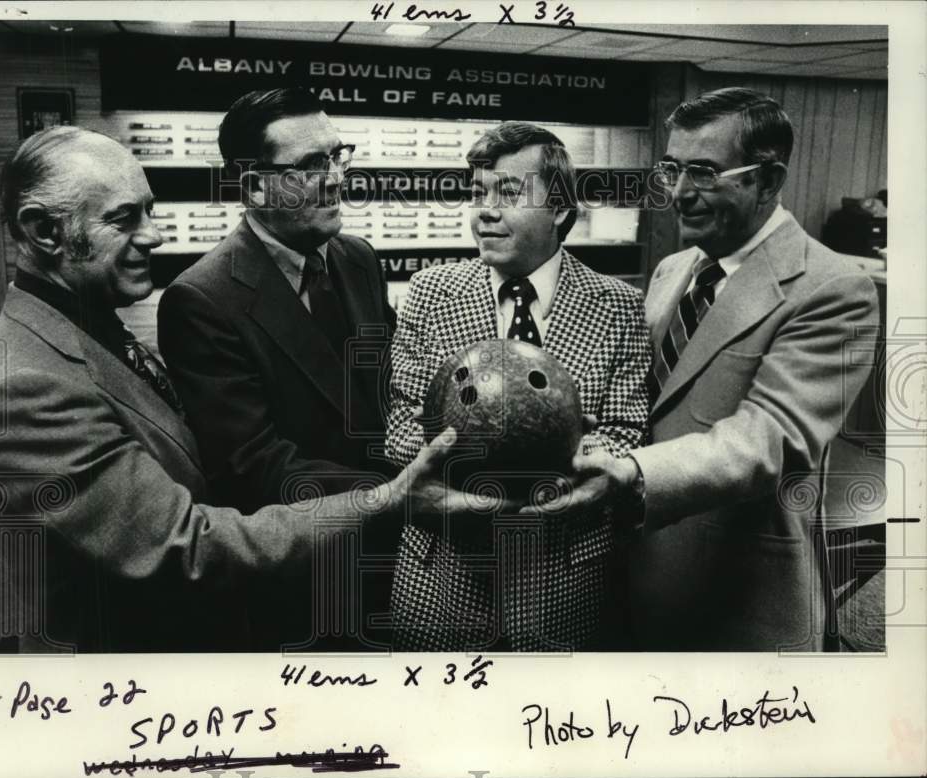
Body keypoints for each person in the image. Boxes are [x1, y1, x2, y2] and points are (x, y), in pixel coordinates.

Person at [0, 126, 490, 654]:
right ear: (44, 232)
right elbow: (190, 546)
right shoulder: (22, 391)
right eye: (123, 219)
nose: (154, 236)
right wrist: (388, 499)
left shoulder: (86, 328)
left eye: (150, 211)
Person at [532, 88, 880, 652]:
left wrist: (632, 472)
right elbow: (648, 398)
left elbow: (770, 439)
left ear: (768, 180)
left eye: (704, 172)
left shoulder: (833, 288)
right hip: (631, 580)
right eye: (672, 169)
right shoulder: (676, 269)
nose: (680, 193)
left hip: (736, 603)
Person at [386, 122, 652, 651]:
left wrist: (571, 468)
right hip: (444, 574)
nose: (485, 210)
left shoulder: (618, 306)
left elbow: (626, 432)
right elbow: (399, 428)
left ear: (558, 208)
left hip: (563, 576)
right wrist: (503, 467)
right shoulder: (429, 293)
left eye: (508, 193)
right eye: (477, 193)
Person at [157, 88, 395, 513]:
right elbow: (252, 466)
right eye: (310, 166)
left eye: (338, 156)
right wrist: (399, 493)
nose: (337, 179)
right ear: (255, 189)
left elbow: (391, 389)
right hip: (308, 554)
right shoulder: (200, 302)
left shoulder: (360, 259)